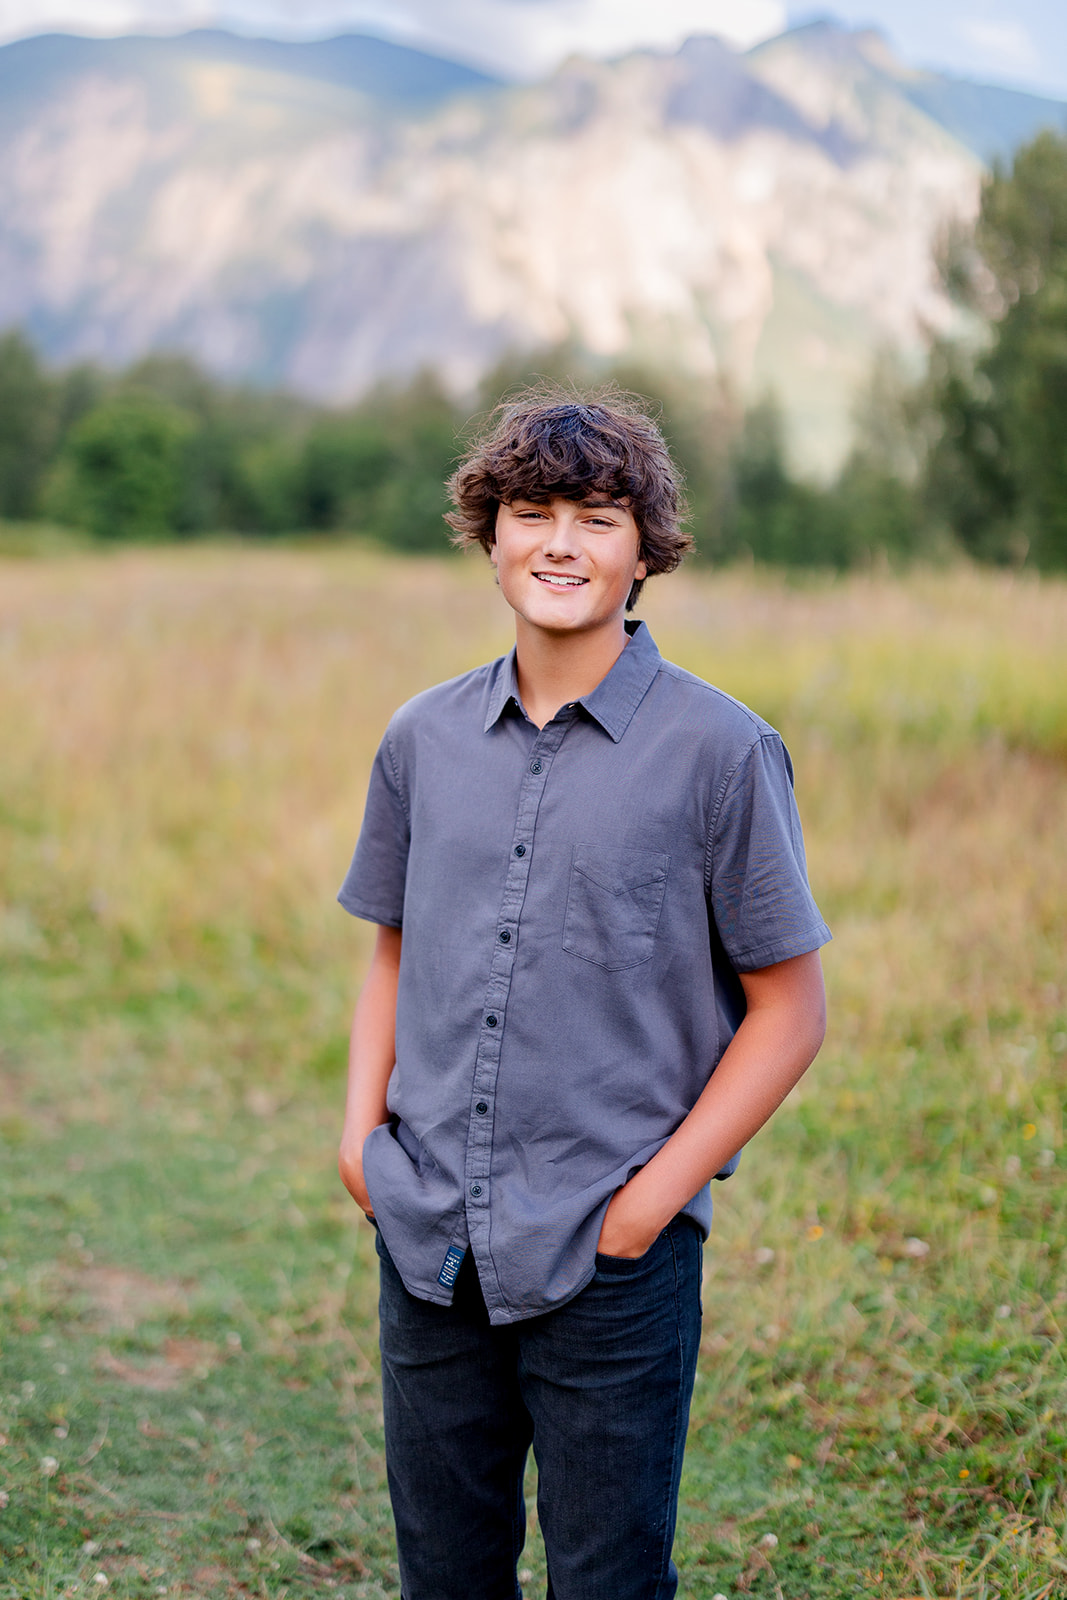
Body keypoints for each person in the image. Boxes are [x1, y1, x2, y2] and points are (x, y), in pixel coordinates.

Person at [336, 388, 830, 1600]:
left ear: (643, 548)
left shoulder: (721, 752)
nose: (560, 540)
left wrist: (648, 1204)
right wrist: (360, 1145)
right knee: (443, 1574)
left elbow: (789, 1008)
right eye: (531, 511)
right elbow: (393, 950)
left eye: (596, 516)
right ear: (488, 534)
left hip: (611, 1256)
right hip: (428, 1236)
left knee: (607, 1579)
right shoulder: (420, 738)